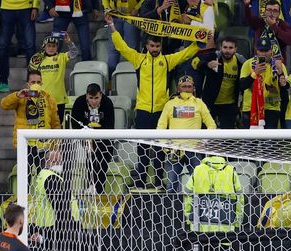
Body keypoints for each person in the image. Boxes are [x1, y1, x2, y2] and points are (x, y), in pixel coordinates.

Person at [105, 13, 201, 189]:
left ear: (161, 45)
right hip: (142, 110)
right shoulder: (139, 60)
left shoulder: (167, 60)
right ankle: (141, 181)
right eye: (151, 45)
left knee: (159, 150)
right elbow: (122, 47)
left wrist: (199, 42)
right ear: (147, 45)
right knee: (142, 149)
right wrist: (112, 26)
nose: (154, 48)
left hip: (160, 112)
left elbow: (185, 54)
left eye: (157, 45)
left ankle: (158, 181)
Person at [184, 156, 244, 251]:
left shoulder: (198, 169)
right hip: (224, 221)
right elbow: (240, 195)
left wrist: (189, 216)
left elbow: (187, 193)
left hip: (202, 221)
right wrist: (238, 218)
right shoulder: (230, 170)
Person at [157, 75, 216, 193]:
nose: (186, 89)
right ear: (178, 89)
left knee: (200, 185)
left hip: (194, 149)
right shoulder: (170, 104)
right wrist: (165, 146)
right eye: (184, 86)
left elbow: (212, 125)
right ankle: (172, 211)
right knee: (171, 187)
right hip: (174, 150)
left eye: (189, 86)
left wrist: (204, 143)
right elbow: (161, 126)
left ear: (194, 88)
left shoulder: (200, 103)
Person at [0, 70, 61, 175]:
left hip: (43, 144)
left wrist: (54, 146)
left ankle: (40, 192)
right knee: (25, 176)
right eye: (33, 82)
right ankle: (25, 192)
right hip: (25, 143)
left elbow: (55, 123)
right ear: (28, 83)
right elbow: (4, 105)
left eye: (38, 82)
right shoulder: (22, 96)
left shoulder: (48, 98)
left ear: (42, 83)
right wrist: (17, 95)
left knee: (42, 174)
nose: (36, 85)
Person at [70, 83, 115, 194]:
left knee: (102, 162)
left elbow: (110, 126)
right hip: (85, 136)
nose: (94, 101)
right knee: (90, 159)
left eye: (96, 98)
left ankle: (99, 190)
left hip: (104, 138)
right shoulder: (79, 103)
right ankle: (91, 186)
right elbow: (75, 123)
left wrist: (98, 139)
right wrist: (87, 136)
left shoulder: (107, 103)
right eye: (91, 98)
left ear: (101, 95)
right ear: (86, 96)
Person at [193, 36, 245, 129]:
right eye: (225, 47)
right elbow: (194, 62)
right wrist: (207, 64)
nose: (227, 51)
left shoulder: (240, 61)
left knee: (227, 136)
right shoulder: (214, 56)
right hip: (210, 103)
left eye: (230, 48)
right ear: (220, 48)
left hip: (229, 104)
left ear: (235, 49)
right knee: (207, 134)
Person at [239, 36, 288, 129]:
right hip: (250, 108)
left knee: (268, 143)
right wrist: (254, 74)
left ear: (271, 51)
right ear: (256, 51)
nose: (264, 53)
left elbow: (284, 91)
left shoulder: (279, 66)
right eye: (261, 51)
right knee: (250, 142)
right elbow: (242, 86)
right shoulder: (248, 64)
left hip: (271, 109)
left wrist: (280, 73)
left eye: (266, 50)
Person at [0, 0, 39, 92]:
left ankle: (33, 82)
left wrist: (35, 6)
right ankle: (3, 82)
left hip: (26, 8)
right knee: (3, 46)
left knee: (30, 45)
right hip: (6, 9)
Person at [28, 33, 79, 120]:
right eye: (49, 46)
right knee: (44, 126)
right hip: (42, 99)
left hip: (59, 100)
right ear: (44, 47)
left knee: (58, 127)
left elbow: (74, 52)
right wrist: (31, 94)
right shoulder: (37, 59)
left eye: (54, 46)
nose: (51, 48)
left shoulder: (61, 57)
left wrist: (69, 42)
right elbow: (31, 77)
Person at [102, 0, 139, 75]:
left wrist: (137, 8)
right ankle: (112, 79)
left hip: (131, 16)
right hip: (114, 16)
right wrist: (107, 9)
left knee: (132, 48)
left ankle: (134, 77)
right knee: (113, 49)